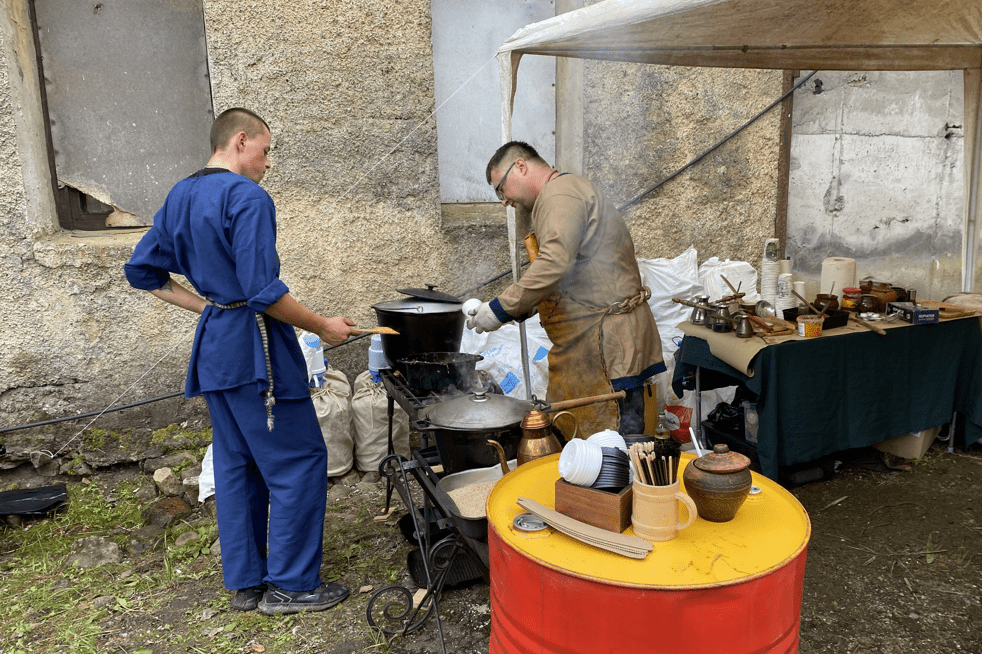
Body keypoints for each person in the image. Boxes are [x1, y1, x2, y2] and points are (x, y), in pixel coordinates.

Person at [124, 108, 355, 615]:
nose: (268, 163)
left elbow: (142, 272)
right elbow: (261, 292)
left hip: (215, 345)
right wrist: (322, 325)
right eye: (265, 150)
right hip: (255, 349)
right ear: (241, 140)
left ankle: (246, 582)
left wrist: (207, 305)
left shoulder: (179, 195)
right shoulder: (246, 196)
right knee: (298, 461)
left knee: (236, 463)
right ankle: (293, 585)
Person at [468, 141, 665, 436]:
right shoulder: (560, 194)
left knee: (617, 451)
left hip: (609, 347)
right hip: (592, 344)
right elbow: (568, 275)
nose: (504, 201)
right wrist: (521, 308)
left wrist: (498, 310)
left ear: (520, 166)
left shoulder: (559, 194)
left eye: (501, 188)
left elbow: (554, 264)